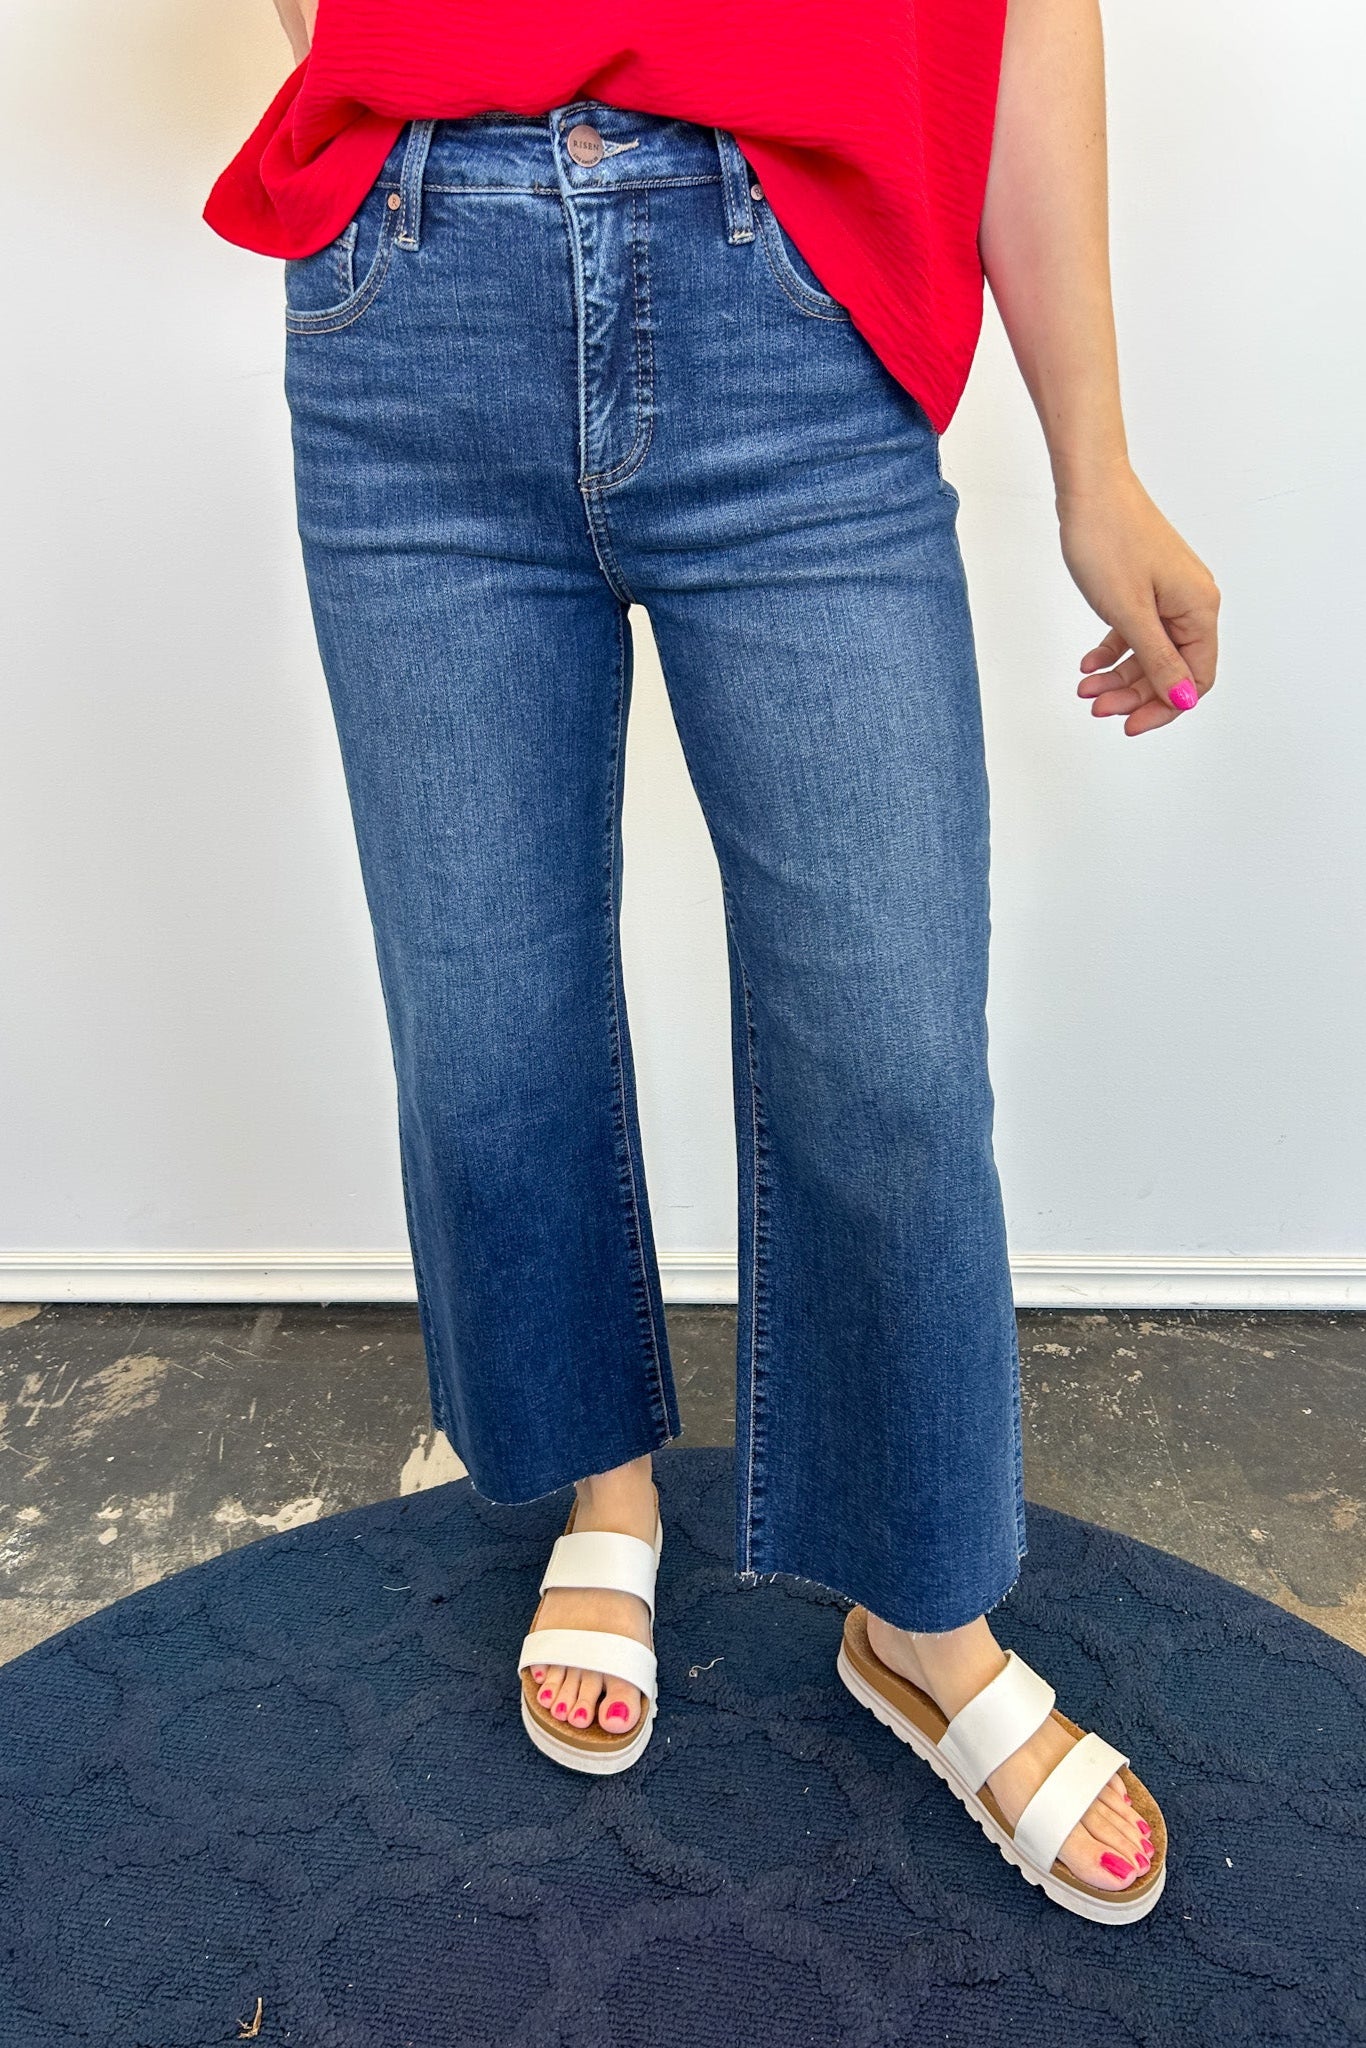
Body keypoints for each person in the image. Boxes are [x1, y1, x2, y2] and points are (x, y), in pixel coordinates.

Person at [207, 0, 1218, 1925]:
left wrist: (1092, 459)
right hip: (412, 296)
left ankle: (922, 1612)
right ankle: (608, 1495)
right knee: (486, 1021)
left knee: (890, 1056)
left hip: (795, 300)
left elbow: (1026, 17)